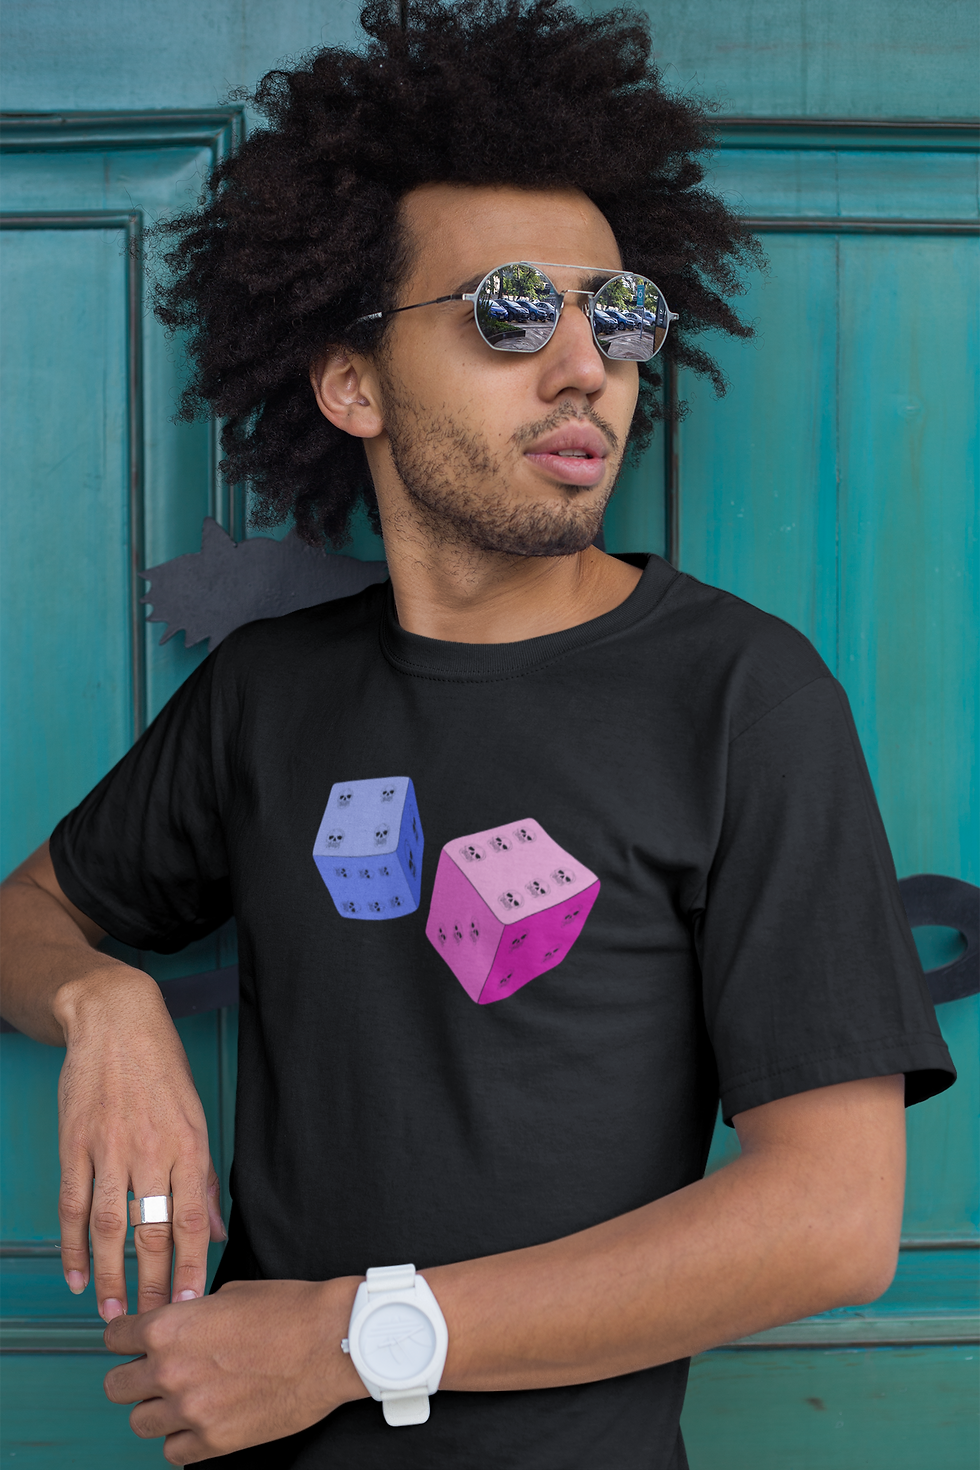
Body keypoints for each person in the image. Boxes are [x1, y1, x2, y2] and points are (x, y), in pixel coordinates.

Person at [0, 3, 955, 1467]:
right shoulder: (268, 693)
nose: (588, 365)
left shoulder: (744, 696)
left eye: (618, 314)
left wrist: (351, 1336)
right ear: (353, 382)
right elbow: (28, 919)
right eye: (513, 311)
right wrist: (99, 1005)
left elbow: (832, 1219)